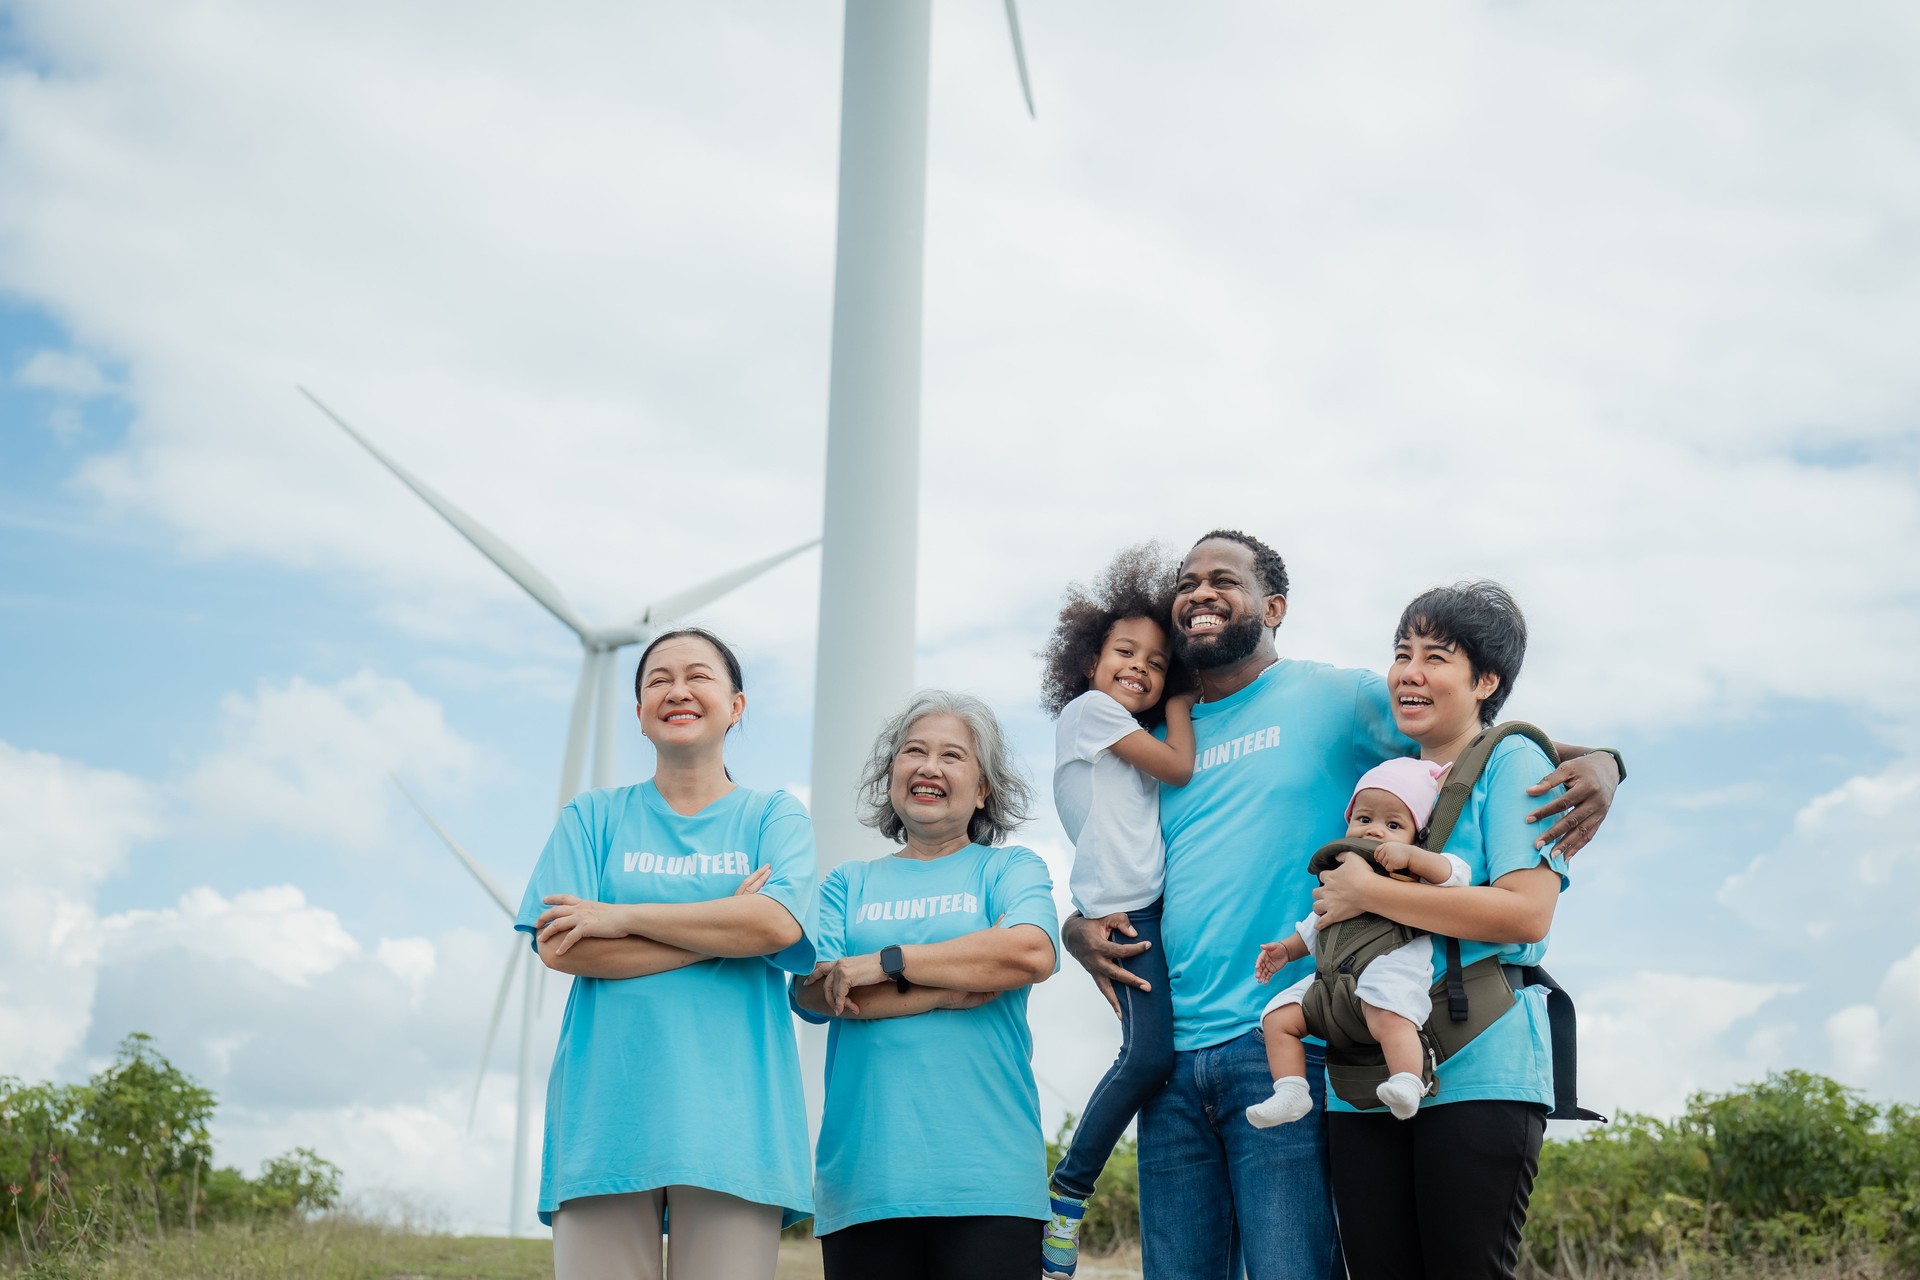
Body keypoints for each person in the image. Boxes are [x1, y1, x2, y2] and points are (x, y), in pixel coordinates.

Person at [1061, 531, 1623, 1280]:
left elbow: (1469, 737)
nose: (1199, 592)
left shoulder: (1334, 697)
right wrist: (1076, 924)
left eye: (1224, 578)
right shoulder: (1153, 728)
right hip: (1167, 1058)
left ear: (1275, 606)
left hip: (1287, 1039)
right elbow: (1114, 852)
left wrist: (1606, 761)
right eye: (1187, 580)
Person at [514, 628, 818, 1280]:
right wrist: (722, 930)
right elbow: (564, 946)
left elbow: (773, 924)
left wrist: (619, 915)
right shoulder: (591, 817)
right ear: (639, 714)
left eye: (699, 676)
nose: (678, 690)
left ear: (737, 705)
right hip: (605, 1123)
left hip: (737, 1129)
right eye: (658, 680)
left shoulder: (775, 816)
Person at [1313, 581, 1574, 1279]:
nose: (1410, 672)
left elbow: (1525, 911)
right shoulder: (1387, 776)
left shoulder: (1515, 761)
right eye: (1403, 653)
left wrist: (1370, 890)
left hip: (1480, 1068)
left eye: (1437, 656)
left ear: (1486, 681)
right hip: (1361, 1075)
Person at [793, 690, 1061, 1280]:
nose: (929, 767)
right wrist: (946, 989)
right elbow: (820, 994)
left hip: (989, 1180)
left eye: (952, 755)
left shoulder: (1010, 868)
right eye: (913, 751)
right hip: (865, 1178)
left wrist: (885, 962)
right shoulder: (847, 882)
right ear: (891, 775)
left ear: (984, 787)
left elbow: (1028, 951)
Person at [1035, 545, 1196, 1277]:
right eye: (1124, 652)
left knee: (1158, 1053)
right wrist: (1183, 703)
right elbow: (1181, 767)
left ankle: (1069, 1192)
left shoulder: (1117, 732)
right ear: (1089, 662)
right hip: (1130, 916)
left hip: (1142, 907)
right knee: (1149, 1055)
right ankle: (1067, 1194)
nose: (1140, 667)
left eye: (1160, 662)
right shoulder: (1093, 712)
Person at [1247, 757, 1465, 1127]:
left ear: (1418, 832)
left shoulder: (1416, 869)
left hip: (1388, 968)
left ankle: (1408, 1081)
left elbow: (1457, 877)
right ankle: (1291, 1090)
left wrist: (1414, 857)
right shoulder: (1341, 874)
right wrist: (1285, 950)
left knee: (1392, 1017)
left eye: (1393, 824)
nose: (1375, 831)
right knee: (1277, 1017)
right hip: (1332, 980)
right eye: (1364, 819)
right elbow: (1315, 926)